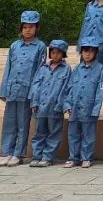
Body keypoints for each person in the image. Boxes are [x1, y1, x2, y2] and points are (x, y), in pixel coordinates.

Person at [0, 9, 46, 166]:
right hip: (12, 89)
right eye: (25, 27)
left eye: (31, 27)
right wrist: (3, 90)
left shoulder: (40, 47)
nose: (28, 30)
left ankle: (18, 153)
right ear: (21, 28)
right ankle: (6, 151)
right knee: (9, 122)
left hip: (27, 91)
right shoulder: (14, 46)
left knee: (23, 123)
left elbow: (40, 71)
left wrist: (35, 93)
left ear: (36, 28)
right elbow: (8, 68)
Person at [64, 37, 103, 168]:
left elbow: (100, 90)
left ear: (95, 53)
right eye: (85, 51)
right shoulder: (77, 68)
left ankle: (86, 157)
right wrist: (67, 104)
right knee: (73, 134)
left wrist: (96, 109)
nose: (87, 54)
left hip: (89, 107)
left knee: (88, 134)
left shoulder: (99, 68)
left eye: (90, 51)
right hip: (75, 107)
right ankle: (73, 157)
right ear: (81, 53)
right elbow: (69, 87)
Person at [29, 39, 71, 167]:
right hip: (41, 107)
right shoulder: (43, 68)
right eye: (53, 52)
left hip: (55, 108)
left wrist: (63, 104)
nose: (55, 55)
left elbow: (67, 88)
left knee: (54, 133)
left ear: (63, 54)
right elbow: (36, 85)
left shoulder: (66, 69)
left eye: (59, 52)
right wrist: (34, 102)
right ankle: (37, 155)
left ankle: (48, 157)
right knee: (39, 132)